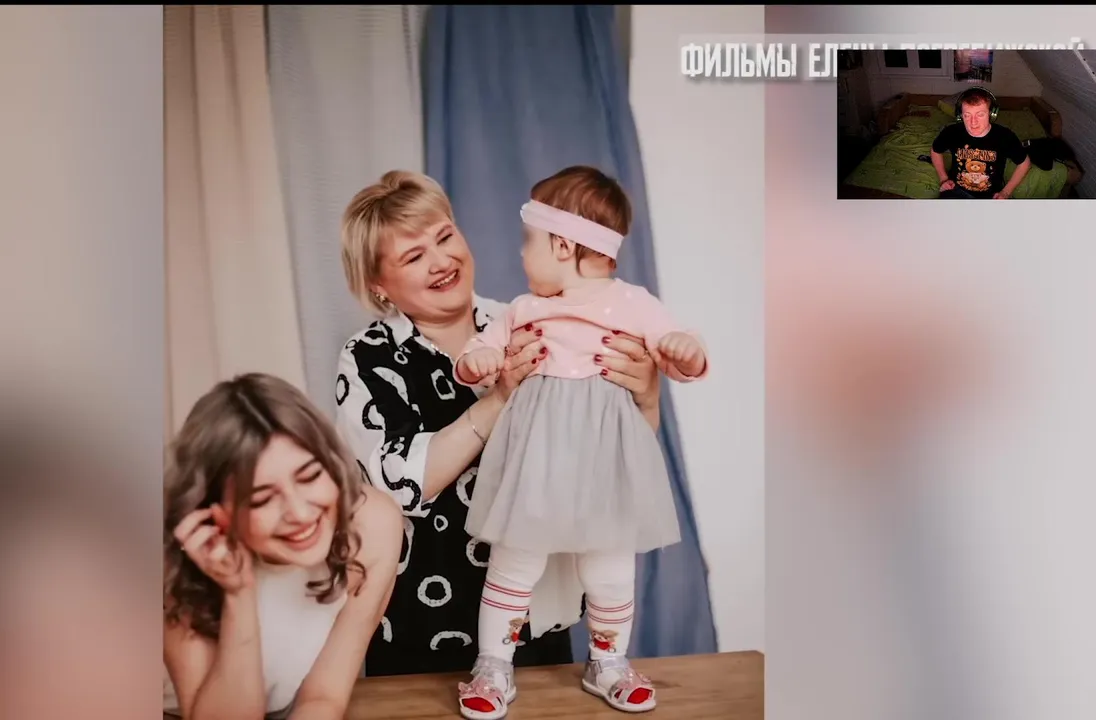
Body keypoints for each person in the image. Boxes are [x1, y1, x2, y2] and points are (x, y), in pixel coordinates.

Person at [334, 170, 666, 681]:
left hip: (537, 620)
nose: (441, 261)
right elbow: (398, 486)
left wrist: (646, 397)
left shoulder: (531, 321)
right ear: (378, 284)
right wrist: (499, 398)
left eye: (445, 237)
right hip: (421, 627)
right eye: (414, 256)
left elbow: (613, 453)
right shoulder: (367, 358)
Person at [451, 166, 709, 718]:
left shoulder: (633, 302)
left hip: (604, 467)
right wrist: (479, 359)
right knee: (514, 562)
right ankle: (493, 665)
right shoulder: (523, 309)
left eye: (529, 241)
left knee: (609, 567)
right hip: (537, 465)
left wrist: (686, 351)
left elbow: (674, 345)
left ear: (563, 246)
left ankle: (607, 662)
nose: (521, 254)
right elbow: (481, 348)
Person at [163, 373, 403, 720]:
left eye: (310, 476)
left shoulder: (373, 524)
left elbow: (323, 698)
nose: (300, 514)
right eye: (262, 499)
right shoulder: (173, 557)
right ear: (213, 509)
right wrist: (238, 593)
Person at [930, 87, 1032, 199]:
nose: (973, 122)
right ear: (960, 115)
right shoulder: (951, 132)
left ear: (991, 114)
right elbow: (935, 150)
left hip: (991, 196)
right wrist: (943, 178)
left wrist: (1006, 192)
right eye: (967, 115)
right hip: (956, 190)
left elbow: (1024, 163)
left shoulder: (1005, 136)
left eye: (980, 114)